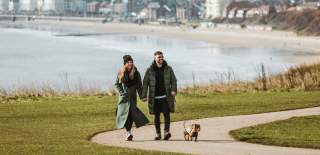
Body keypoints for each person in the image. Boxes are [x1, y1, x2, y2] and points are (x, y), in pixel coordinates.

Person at [142, 51, 177, 140]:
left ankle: (166, 132)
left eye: (162, 57)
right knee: (156, 116)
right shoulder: (149, 70)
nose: (161, 59)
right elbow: (145, 83)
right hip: (154, 98)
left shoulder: (168, 69)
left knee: (167, 115)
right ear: (155, 58)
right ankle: (158, 134)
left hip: (165, 97)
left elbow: (174, 80)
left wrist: (173, 90)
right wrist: (144, 95)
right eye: (159, 57)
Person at [115, 55, 149, 141]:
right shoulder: (121, 72)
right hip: (123, 98)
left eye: (131, 62)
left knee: (130, 115)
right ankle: (128, 132)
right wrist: (122, 93)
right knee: (121, 114)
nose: (130, 63)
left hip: (132, 97)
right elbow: (117, 84)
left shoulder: (136, 73)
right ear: (125, 64)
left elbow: (139, 86)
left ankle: (128, 132)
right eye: (128, 62)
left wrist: (142, 96)